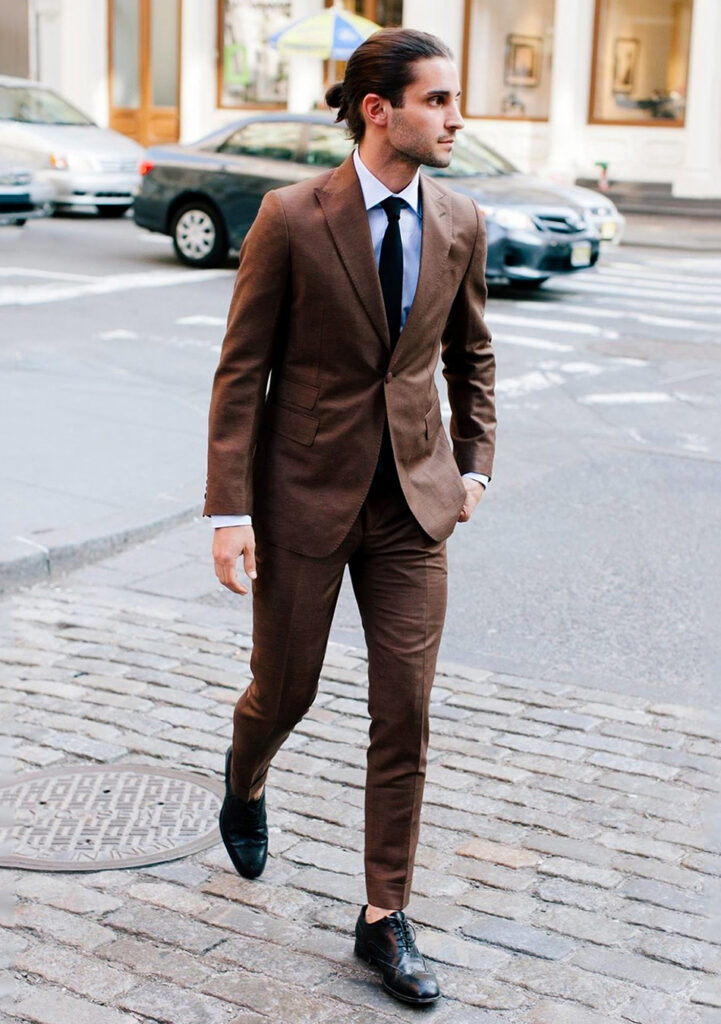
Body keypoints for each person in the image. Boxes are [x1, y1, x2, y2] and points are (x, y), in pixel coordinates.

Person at [205, 27, 496, 1006]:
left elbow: (472, 358)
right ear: (381, 109)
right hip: (302, 498)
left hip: (413, 505)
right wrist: (230, 509)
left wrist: (474, 470)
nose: (457, 118)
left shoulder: (459, 220)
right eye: (440, 100)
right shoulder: (291, 218)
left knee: (404, 710)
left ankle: (383, 915)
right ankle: (244, 778)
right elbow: (242, 374)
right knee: (282, 692)